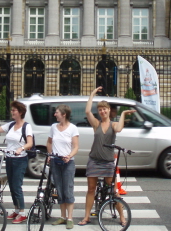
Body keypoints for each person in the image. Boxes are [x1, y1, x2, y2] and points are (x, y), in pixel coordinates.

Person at [78, 87, 135, 226]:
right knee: (91, 189)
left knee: (113, 190)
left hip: (108, 162)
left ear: (109, 110)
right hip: (94, 160)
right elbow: (87, 111)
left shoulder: (113, 124)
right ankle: (86, 217)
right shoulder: (96, 124)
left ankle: (122, 217)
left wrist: (123, 115)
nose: (102, 111)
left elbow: (119, 129)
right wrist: (92, 94)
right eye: (100, 109)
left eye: (105, 109)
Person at [0, 102, 33, 224]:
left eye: (14, 110)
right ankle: (16, 209)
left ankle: (23, 213)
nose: (12, 112)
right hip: (9, 158)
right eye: (12, 110)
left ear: (20, 112)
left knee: (17, 186)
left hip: (20, 159)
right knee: (11, 186)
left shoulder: (26, 126)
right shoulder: (11, 125)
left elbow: (30, 143)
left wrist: (21, 148)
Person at [47, 104, 79, 229]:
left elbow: (76, 146)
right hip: (55, 161)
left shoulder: (73, 128)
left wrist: (69, 155)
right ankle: (62, 216)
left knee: (68, 189)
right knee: (59, 189)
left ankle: (70, 218)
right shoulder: (53, 127)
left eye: (57, 113)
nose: (55, 114)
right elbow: (49, 142)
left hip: (68, 163)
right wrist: (50, 154)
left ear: (64, 114)